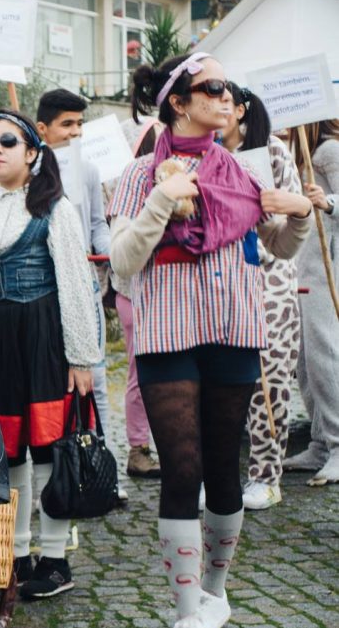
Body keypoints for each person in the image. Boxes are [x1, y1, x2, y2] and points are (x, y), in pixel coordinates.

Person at [111, 53, 311, 628]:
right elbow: (125, 260)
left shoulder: (241, 169)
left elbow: (277, 245)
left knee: (224, 468)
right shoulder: (141, 172)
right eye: (214, 88)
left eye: (232, 90)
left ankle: (216, 592)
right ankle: (185, 607)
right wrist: (162, 199)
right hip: (167, 334)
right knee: (182, 470)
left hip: (234, 329)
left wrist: (297, 215)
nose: (228, 99)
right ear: (178, 101)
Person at [0, 109, 102, 600]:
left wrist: (82, 357)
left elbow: (77, 286)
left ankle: (57, 559)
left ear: (33, 153)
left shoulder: (53, 209)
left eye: (8, 141)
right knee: (6, 453)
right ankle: (15, 555)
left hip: (41, 341)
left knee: (49, 451)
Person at [35, 89, 158, 484]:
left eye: (79, 124)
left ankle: (102, 473)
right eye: (66, 124)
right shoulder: (30, 168)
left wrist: (116, 253)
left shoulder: (87, 168)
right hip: (41, 290)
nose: (75, 132)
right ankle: (51, 475)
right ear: (43, 129)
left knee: (96, 380)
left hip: (84, 286)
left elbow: (96, 225)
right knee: (49, 384)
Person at [221, 82, 313, 509]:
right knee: (221, 384)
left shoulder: (272, 152)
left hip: (269, 281)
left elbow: (289, 225)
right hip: (220, 283)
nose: (216, 110)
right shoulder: (203, 156)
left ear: (241, 110)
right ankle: (222, 476)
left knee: (268, 382)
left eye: (225, 103)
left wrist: (291, 205)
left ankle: (266, 475)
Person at [285, 119, 339, 485]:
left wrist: (329, 202)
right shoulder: (299, 153)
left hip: (326, 265)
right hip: (302, 265)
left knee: (325, 356)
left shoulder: (328, 150)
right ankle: (320, 442)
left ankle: (337, 444)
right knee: (304, 360)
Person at [110, 116, 163, 480]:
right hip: (133, 290)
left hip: (163, 291)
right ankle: (138, 446)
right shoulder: (130, 180)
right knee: (139, 372)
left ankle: (152, 442)